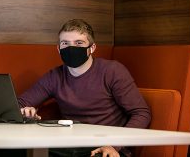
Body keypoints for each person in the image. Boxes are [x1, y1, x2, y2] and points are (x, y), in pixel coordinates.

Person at [18, 19, 151, 157]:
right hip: (69, 146)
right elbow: (19, 104)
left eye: (79, 43)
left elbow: (141, 113)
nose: (71, 48)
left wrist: (115, 145)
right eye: (65, 43)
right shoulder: (55, 76)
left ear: (92, 48)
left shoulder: (112, 71)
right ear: (58, 49)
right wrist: (25, 112)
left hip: (106, 148)